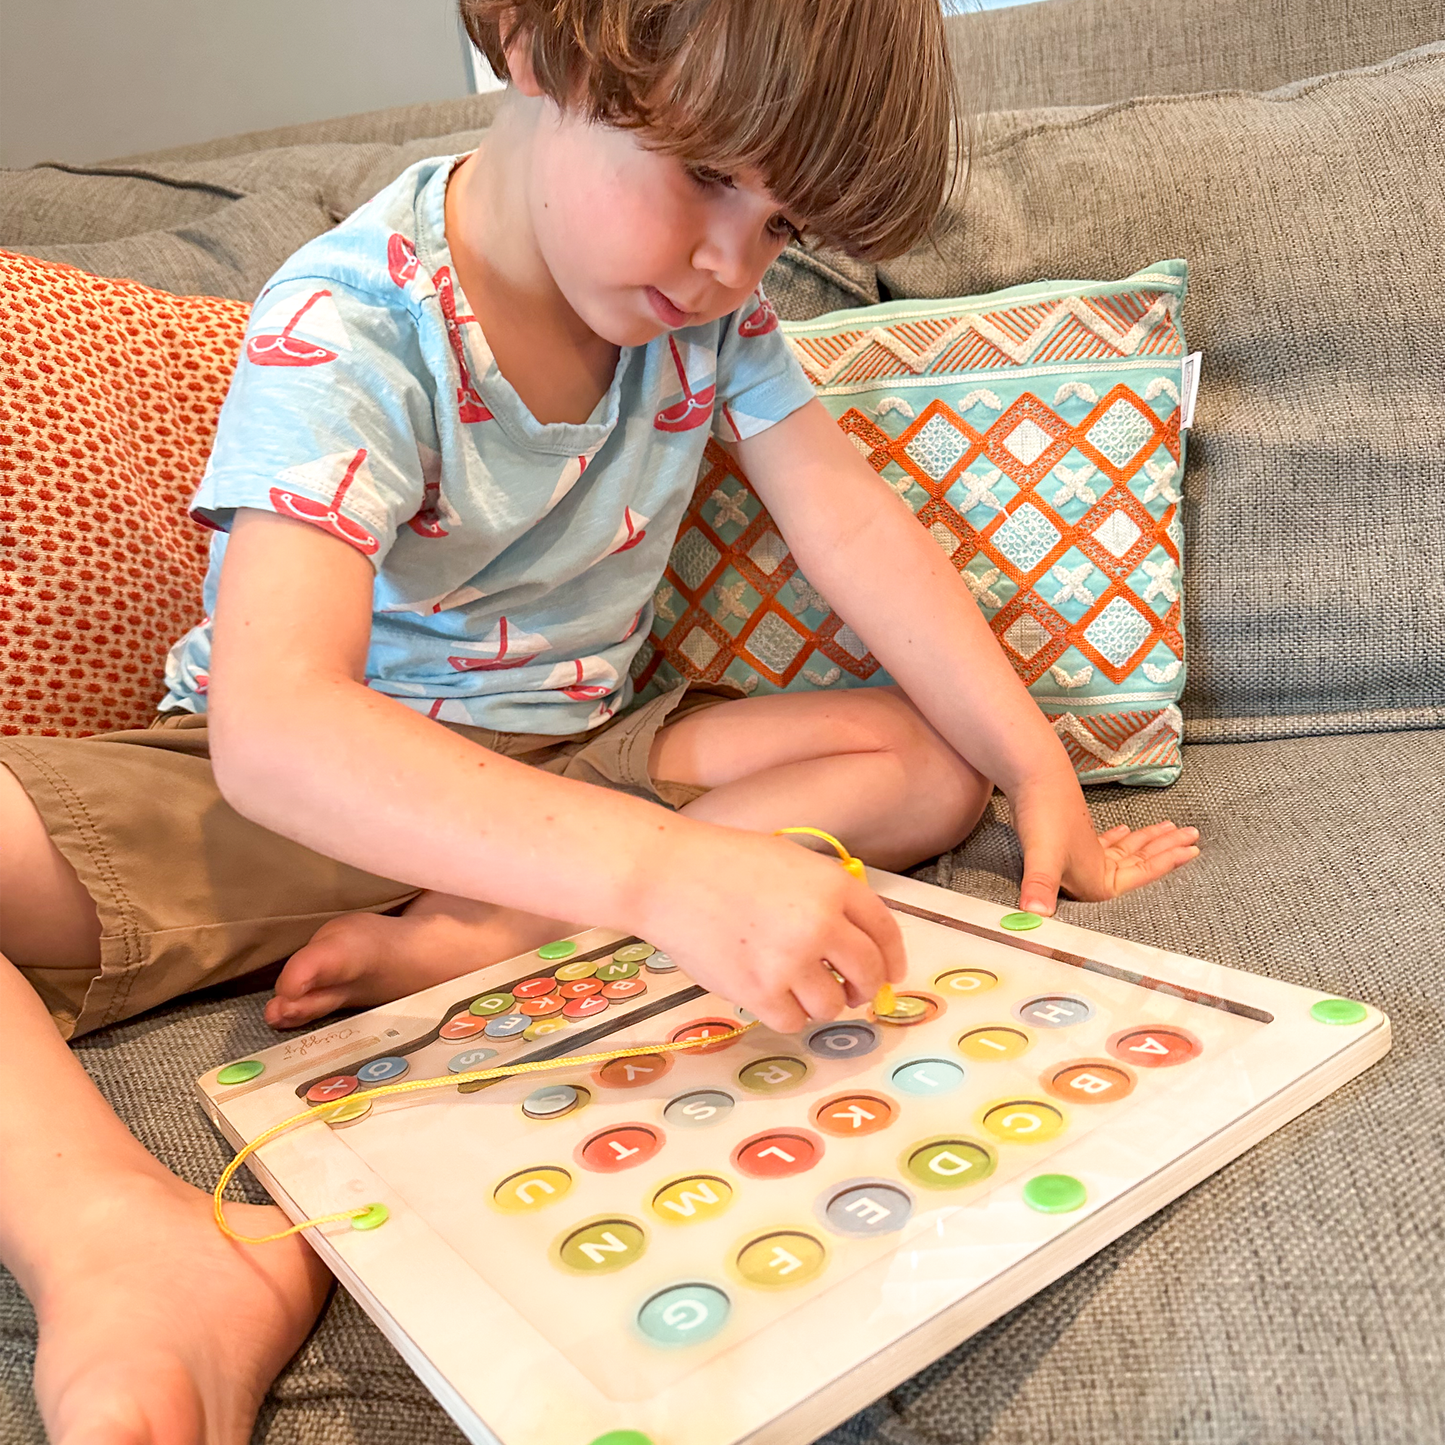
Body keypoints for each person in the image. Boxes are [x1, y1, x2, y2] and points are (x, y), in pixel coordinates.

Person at [0, 1, 1200, 1439]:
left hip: (580, 741)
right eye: (707, 179)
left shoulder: (714, 322)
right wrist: (659, 873)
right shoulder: (351, 322)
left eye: (775, 228)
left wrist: (1027, 762)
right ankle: (118, 1238)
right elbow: (275, 727)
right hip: (313, 775)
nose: (728, 264)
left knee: (914, 764)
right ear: (530, 42)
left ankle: (473, 932)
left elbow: (851, 526)